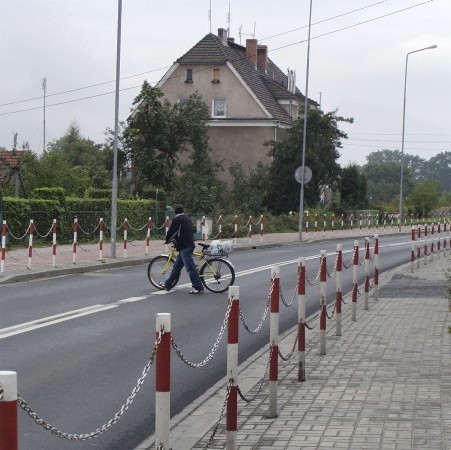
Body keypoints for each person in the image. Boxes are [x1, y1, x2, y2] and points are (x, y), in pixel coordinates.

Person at [163, 204, 204, 294]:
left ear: (175, 212)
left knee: (190, 268)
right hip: (188, 245)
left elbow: (172, 230)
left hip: (185, 246)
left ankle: (198, 287)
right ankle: (168, 284)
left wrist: (167, 239)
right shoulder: (187, 218)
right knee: (176, 267)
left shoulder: (177, 219)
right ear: (183, 210)